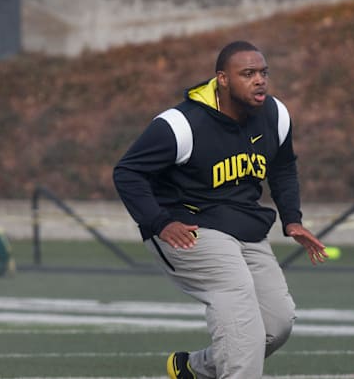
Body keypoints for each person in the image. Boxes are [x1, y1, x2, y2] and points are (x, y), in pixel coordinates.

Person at [113, 40, 328, 379]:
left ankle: (194, 369)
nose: (259, 80)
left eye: (263, 73)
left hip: (242, 225)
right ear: (222, 79)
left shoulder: (275, 115)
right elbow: (127, 172)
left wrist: (292, 219)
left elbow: (283, 167)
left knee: (277, 323)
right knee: (239, 311)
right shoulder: (181, 124)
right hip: (189, 227)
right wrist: (160, 222)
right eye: (247, 74)